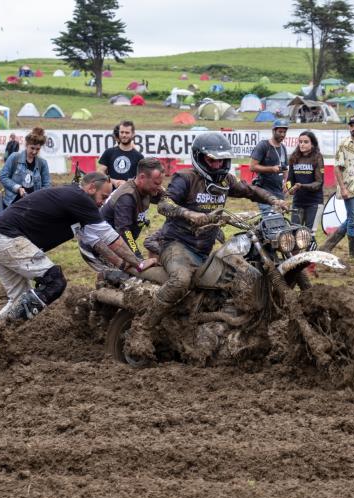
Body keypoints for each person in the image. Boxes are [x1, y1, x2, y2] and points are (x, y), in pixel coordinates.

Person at [126, 133, 289, 358]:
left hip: (204, 249)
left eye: (221, 160)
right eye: (212, 160)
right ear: (199, 158)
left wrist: (274, 200)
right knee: (181, 280)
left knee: (240, 275)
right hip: (176, 245)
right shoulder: (185, 177)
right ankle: (143, 328)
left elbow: (249, 190)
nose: (217, 164)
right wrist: (191, 215)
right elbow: (165, 203)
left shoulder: (224, 180)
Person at [0, 172, 152, 325]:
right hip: (7, 238)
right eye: (103, 196)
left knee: (19, 299)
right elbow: (112, 238)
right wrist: (139, 264)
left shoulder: (73, 201)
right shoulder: (80, 199)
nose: (102, 203)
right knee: (55, 281)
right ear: (92, 187)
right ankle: (3, 329)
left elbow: (96, 243)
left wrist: (122, 265)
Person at [80, 158, 164, 276]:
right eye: (156, 183)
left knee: (132, 275)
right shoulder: (127, 197)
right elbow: (124, 231)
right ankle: (99, 290)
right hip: (97, 248)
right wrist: (138, 258)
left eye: (160, 183)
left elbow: (168, 199)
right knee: (127, 279)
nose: (159, 187)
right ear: (142, 177)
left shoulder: (146, 189)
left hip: (115, 245)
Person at [320, 115, 354, 259]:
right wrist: (343, 188)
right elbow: (337, 168)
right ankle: (352, 254)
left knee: (353, 218)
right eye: (351, 125)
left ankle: (327, 246)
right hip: (349, 187)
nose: (353, 128)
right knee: (353, 220)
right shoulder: (343, 144)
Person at [0, 127, 51, 218]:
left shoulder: (42, 163)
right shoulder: (14, 157)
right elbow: (3, 177)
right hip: (11, 205)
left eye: (38, 149)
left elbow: (47, 186)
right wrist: (18, 188)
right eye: (32, 148)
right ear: (26, 145)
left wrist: (38, 198)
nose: (34, 151)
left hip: (32, 208)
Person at [249, 119, 289, 215]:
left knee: (278, 222)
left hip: (279, 193)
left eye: (284, 132)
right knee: (270, 220)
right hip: (264, 191)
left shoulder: (283, 148)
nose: (282, 134)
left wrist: (286, 183)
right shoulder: (263, 146)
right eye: (280, 131)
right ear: (273, 131)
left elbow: (285, 168)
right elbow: (252, 167)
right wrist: (271, 169)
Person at [286, 131, 324, 230]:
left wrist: (301, 186)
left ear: (312, 144)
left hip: (314, 203)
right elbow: (289, 180)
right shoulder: (294, 157)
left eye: (306, 142)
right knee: (294, 232)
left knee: (309, 234)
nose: (302, 144)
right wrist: (289, 188)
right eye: (300, 142)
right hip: (297, 202)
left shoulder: (318, 157)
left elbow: (319, 183)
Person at [97, 120, 143, 188]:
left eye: (127, 133)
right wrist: (114, 181)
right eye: (122, 132)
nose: (124, 135)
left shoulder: (139, 157)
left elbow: (142, 179)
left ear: (133, 134)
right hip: (110, 194)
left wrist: (129, 183)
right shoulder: (109, 152)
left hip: (130, 194)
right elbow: (100, 173)